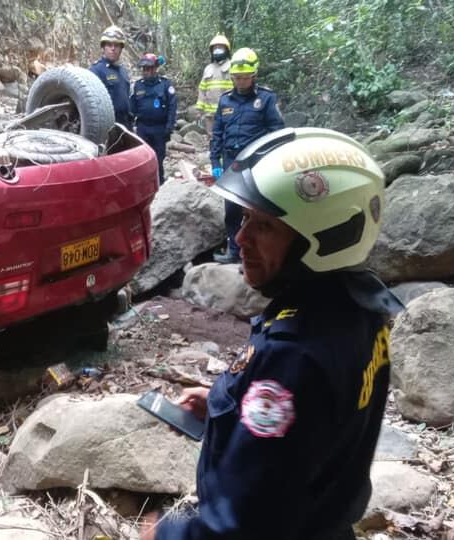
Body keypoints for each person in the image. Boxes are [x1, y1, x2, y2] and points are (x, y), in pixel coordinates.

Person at [141, 127, 404, 540]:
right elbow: (314, 431)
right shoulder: (360, 311)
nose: (240, 238)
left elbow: (243, 525)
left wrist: (164, 535)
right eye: (245, 218)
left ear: (320, 241)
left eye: (264, 226)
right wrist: (223, 407)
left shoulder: (294, 353)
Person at [210, 47, 285, 264]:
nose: (240, 82)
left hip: (256, 162)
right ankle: (234, 252)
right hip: (231, 161)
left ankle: (258, 256)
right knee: (231, 209)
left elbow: (277, 132)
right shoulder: (225, 101)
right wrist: (215, 161)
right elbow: (217, 134)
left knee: (257, 212)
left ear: (254, 75)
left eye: (244, 77)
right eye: (236, 78)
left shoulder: (266, 99)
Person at [130, 53, 177, 185]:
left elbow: (172, 107)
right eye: (144, 69)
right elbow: (132, 108)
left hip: (160, 129)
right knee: (143, 158)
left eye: (149, 68)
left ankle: (159, 184)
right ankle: (144, 185)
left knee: (158, 159)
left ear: (155, 68)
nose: (146, 71)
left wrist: (169, 127)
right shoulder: (137, 86)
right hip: (143, 128)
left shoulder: (165, 85)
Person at [90, 25, 132, 126]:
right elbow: (91, 104)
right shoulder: (96, 70)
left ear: (121, 48)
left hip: (125, 125)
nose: (113, 49)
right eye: (109, 45)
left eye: (116, 45)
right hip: (107, 126)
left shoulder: (123, 71)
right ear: (103, 47)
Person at [195, 34, 234, 134]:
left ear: (226, 50)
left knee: (227, 137)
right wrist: (199, 110)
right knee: (212, 139)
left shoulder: (232, 66)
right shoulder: (208, 68)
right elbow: (202, 90)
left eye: (220, 47)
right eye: (215, 48)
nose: (217, 50)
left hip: (228, 112)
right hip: (210, 115)